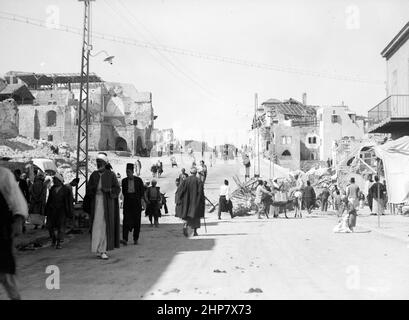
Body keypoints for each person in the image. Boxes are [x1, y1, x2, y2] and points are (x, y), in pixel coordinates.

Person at [86, 152, 121, 260]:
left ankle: (103, 250)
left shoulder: (111, 175)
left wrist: (108, 190)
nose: (98, 164)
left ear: (105, 163)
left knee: (104, 226)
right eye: (97, 162)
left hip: (107, 204)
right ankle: (97, 249)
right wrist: (93, 190)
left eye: (100, 162)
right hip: (96, 203)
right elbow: (88, 189)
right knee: (96, 226)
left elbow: (117, 189)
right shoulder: (94, 175)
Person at [0, 166, 28, 300]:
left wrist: (18, 220)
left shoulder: (3, 175)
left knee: (6, 275)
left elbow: (17, 201)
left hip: (1, 232)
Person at [45, 173, 73, 249]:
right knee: (51, 227)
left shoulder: (66, 190)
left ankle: (58, 242)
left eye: (55, 180)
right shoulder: (52, 189)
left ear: (59, 181)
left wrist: (70, 212)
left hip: (62, 211)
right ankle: (54, 239)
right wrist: (46, 209)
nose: (54, 181)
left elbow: (69, 201)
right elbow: (49, 200)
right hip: (52, 210)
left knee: (61, 227)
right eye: (54, 180)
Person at [176, 167, 205, 237]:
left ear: (190, 172)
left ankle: (185, 226)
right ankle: (195, 232)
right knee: (195, 216)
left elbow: (180, 191)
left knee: (186, 215)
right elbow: (201, 192)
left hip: (186, 202)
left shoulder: (186, 181)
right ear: (196, 173)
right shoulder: (199, 181)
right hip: (195, 202)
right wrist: (202, 201)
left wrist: (179, 199)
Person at [121, 163, 145, 245]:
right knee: (126, 221)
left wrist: (140, 201)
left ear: (132, 172)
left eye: (129, 172)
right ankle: (125, 239)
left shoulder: (139, 180)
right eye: (126, 172)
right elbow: (124, 192)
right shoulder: (124, 181)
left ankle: (135, 239)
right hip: (127, 203)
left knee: (137, 221)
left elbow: (142, 192)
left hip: (136, 203)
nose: (128, 173)